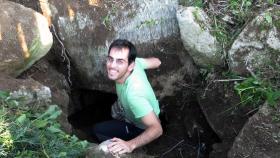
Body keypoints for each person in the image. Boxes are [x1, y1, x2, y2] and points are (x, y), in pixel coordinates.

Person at [93, 39, 162, 155]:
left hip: (141, 127)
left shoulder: (134, 96)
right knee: (113, 110)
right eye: (110, 59)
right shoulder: (137, 64)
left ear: (130, 66)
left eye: (120, 61)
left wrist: (130, 145)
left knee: (97, 130)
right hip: (142, 110)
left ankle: (141, 147)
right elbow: (157, 61)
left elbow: (157, 129)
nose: (112, 66)